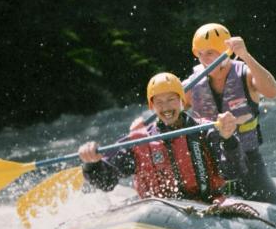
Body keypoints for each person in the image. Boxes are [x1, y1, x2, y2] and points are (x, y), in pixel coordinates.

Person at [78, 72, 245, 202]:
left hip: (207, 205)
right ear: (152, 106)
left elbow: (233, 172)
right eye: (159, 102)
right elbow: (107, 182)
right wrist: (92, 164)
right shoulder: (138, 141)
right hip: (158, 213)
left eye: (171, 99)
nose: (166, 107)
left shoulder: (206, 130)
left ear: (181, 101)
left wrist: (228, 139)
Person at [184, 22, 276, 206]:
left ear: (226, 52)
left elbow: (272, 92)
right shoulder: (193, 85)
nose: (205, 59)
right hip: (211, 163)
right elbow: (168, 112)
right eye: (201, 54)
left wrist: (245, 55)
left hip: (249, 160)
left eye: (211, 53)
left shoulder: (244, 74)